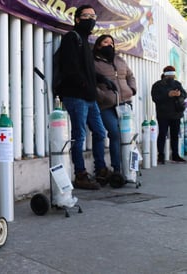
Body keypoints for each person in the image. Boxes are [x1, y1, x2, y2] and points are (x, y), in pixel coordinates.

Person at [57, 4, 110, 190]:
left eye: (93, 16)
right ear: (77, 19)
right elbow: (70, 68)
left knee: (100, 131)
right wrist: (85, 85)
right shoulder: (72, 38)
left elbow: (88, 70)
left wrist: (101, 79)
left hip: (88, 96)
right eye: (86, 16)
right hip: (76, 95)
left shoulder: (85, 42)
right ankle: (80, 174)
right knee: (79, 135)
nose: (91, 19)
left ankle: (101, 169)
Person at [93, 34, 137, 176]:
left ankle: (129, 169)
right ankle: (116, 169)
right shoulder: (94, 62)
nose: (109, 45)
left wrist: (131, 90)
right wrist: (103, 96)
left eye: (111, 42)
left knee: (127, 136)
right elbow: (92, 82)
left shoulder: (119, 59)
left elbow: (130, 76)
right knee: (114, 134)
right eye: (105, 42)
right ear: (99, 45)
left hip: (125, 104)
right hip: (107, 105)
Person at [151, 65, 186, 164]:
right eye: (170, 74)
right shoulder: (157, 85)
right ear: (165, 74)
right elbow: (155, 98)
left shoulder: (177, 84)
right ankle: (161, 156)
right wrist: (168, 95)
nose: (171, 77)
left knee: (175, 135)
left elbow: (184, 94)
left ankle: (175, 155)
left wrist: (179, 95)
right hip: (163, 114)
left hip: (176, 114)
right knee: (162, 134)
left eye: (173, 75)